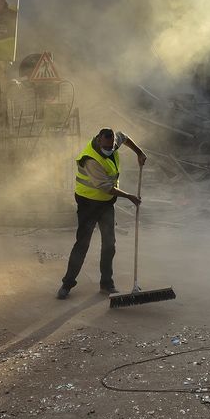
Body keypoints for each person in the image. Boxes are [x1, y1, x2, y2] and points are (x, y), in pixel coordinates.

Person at [57, 128, 146, 299]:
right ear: (98, 140)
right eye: (106, 147)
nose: (109, 150)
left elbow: (125, 136)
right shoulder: (90, 159)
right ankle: (67, 283)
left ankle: (106, 283)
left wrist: (139, 153)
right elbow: (105, 187)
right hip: (88, 204)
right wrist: (129, 196)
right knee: (82, 244)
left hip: (106, 203)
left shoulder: (112, 142)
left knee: (109, 244)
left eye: (111, 147)